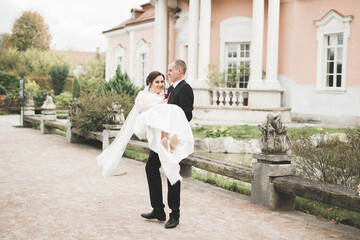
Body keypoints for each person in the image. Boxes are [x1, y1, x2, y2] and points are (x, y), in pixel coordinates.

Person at [96, 70, 193, 180]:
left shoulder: (164, 97)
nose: (160, 84)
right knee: (154, 166)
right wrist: (159, 104)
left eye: (162, 82)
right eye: (157, 82)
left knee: (157, 165)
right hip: (149, 126)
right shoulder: (145, 96)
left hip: (160, 129)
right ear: (150, 83)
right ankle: (167, 142)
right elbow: (142, 107)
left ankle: (168, 142)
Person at [140, 59, 194, 229]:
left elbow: (187, 114)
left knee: (171, 173)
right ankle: (158, 210)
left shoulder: (185, 88)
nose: (168, 73)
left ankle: (175, 215)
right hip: (161, 138)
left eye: (170, 70)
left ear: (179, 70)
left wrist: (169, 114)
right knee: (151, 168)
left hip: (172, 139)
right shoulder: (171, 89)